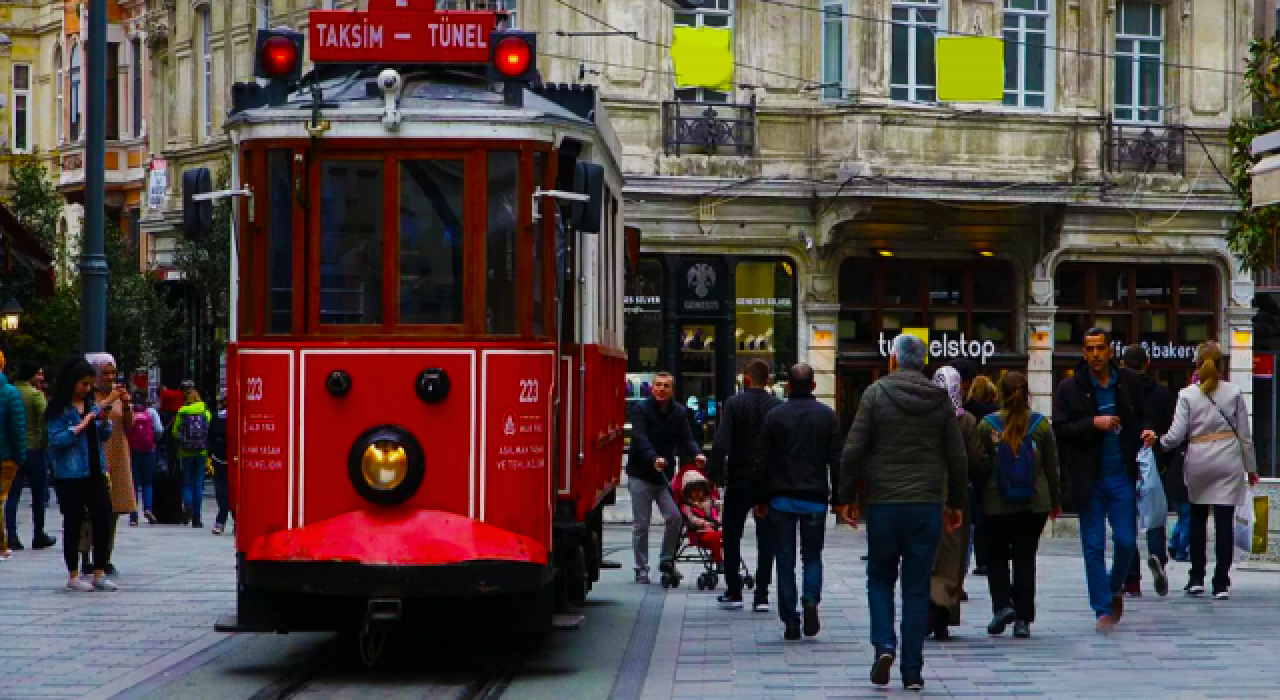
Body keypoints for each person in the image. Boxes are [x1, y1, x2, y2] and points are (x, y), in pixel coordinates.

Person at [839, 335, 966, 692]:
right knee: (915, 588)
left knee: (879, 578)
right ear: (922, 363)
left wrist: (846, 496)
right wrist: (955, 503)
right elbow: (957, 457)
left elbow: (853, 450)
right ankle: (912, 671)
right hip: (926, 505)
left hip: (884, 504)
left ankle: (884, 645)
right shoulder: (940, 400)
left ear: (893, 359)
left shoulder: (875, 394)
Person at [1052, 328, 1152, 633]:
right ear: (1084, 353)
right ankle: (1102, 609)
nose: (1095, 355)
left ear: (1111, 351)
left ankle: (1112, 588)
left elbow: (1147, 415)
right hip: (1089, 477)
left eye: (1100, 349)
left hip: (1121, 473)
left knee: (1125, 541)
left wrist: (1148, 431)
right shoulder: (1070, 388)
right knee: (1093, 546)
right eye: (1090, 349)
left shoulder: (1129, 383)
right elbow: (1061, 429)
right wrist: (1092, 424)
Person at [1150, 341, 1258, 599]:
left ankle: (1196, 576)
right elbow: (1245, 435)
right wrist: (1251, 467)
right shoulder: (1233, 393)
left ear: (1197, 365)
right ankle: (1221, 582)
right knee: (1224, 522)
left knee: (1197, 519)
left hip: (1199, 460)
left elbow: (1176, 436)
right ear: (1220, 365)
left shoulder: (1187, 394)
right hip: (1229, 460)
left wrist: (1158, 443)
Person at [757, 363, 842, 642]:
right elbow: (836, 461)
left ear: (788, 386)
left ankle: (791, 621)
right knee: (812, 555)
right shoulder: (828, 417)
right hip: (815, 496)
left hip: (781, 498)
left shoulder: (774, 416)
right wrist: (839, 498)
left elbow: (763, 461)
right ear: (814, 386)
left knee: (785, 559)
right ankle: (810, 599)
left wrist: (760, 498)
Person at [974, 372, 1061, 639]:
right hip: (1033, 504)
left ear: (999, 393)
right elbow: (1051, 468)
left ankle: (1002, 607)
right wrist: (1055, 501)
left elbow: (980, 464)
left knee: (997, 558)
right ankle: (1023, 619)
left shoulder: (987, 426)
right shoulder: (1041, 426)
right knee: (1025, 560)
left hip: (996, 504)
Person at [710, 359, 781, 612]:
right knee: (766, 537)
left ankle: (734, 591)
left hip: (739, 477)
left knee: (731, 535)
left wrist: (715, 476)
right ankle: (761, 594)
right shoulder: (777, 406)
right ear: (768, 380)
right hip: (767, 480)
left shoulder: (734, 404)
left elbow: (720, 443)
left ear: (746, 379)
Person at [46, 357, 117, 592]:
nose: (87, 389)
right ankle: (73, 574)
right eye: (82, 384)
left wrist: (104, 423)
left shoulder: (91, 405)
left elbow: (102, 436)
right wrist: (81, 425)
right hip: (71, 474)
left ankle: (99, 571)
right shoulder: (59, 409)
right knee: (74, 523)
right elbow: (56, 440)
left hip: (96, 470)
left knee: (103, 519)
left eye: (89, 384)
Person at [627, 372, 705, 585]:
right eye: (658, 385)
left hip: (663, 477)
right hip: (640, 473)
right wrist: (653, 458)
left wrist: (697, 453)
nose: (661, 389)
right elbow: (640, 438)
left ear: (672, 390)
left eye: (666, 386)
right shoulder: (640, 409)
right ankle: (641, 568)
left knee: (675, 517)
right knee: (641, 525)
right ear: (652, 388)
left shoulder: (679, 412)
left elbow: (686, 438)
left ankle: (666, 561)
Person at [927, 366, 983, 641]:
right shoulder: (966, 421)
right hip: (956, 498)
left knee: (927, 553)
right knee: (952, 557)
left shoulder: (923, 416)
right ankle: (943, 610)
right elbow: (975, 461)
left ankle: (926, 606)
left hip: (925, 493)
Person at [1119, 344, 1174, 597]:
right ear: (1148, 363)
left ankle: (1131, 579)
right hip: (1155, 459)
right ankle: (1157, 557)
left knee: (1127, 517)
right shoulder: (1162, 392)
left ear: (1122, 364)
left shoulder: (1120, 391)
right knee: (1154, 513)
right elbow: (1173, 427)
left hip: (1127, 460)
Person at [86, 354, 135, 577]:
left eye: (112, 373)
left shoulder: (118, 395)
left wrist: (126, 406)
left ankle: (106, 556)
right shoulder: (89, 395)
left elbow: (129, 426)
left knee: (113, 507)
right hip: (98, 451)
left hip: (117, 451)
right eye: (105, 373)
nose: (109, 377)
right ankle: (85, 554)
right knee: (91, 508)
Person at [8, 361, 56, 551]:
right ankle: (38, 534)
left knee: (13, 495)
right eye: (39, 374)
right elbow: (45, 422)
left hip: (13, 450)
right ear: (31, 375)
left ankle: (11, 534)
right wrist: (47, 444)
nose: (42, 378)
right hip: (35, 449)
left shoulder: (10, 392)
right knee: (38, 495)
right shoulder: (36, 395)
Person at [963, 373, 1000, 577]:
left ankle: (979, 560)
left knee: (974, 518)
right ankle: (989, 559)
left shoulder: (968, 413)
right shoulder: (998, 412)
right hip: (994, 471)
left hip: (974, 471)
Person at [173, 386, 212, 529]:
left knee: (187, 483)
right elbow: (208, 430)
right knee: (198, 484)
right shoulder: (205, 413)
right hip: (201, 452)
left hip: (185, 452)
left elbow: (175, 433)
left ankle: (187, 504)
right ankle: (197, 517)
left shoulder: (181, 413)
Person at [0, 351, 27, 561]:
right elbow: (17, 429)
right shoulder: (9, 393)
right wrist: (20, 456)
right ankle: (2, 545)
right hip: (5, 456)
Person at [127, 390, 163, 525]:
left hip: (133, 451)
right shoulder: (151, 412)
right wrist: (153, 441)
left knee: (134, 484)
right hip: (149, 450)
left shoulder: (129, 411)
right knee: (148, 483)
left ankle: (133, 515)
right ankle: (148, 508)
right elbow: (159, 430)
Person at [677, 469, 722, 565]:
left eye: (699, 490)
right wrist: (704, 523)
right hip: (699, 533)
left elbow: (721, 506)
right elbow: (692, 519)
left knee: (727, 535)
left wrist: (719, 518)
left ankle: (727, 559)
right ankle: (719, 561)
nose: (697, 493)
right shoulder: (687, 506)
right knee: (715, 536)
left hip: (714, 529)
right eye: (693, 491)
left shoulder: (710, 501)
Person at [210, 396, 231, 534]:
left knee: (221, 490)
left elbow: (210, 436)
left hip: (217, 457)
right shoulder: (238, 417)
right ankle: (234, 520)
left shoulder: (216, 417)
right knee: (234, 491)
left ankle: (220, 521)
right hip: (234, 458)